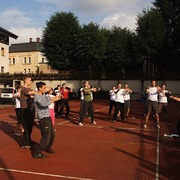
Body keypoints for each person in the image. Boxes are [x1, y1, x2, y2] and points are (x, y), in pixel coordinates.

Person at [33, 82, 61, 159]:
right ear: (40, 88)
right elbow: (44, 104)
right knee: (46, 136)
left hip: (47, 116)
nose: (46, 89)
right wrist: (54, 99)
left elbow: (49, 99)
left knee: (52, 134)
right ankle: (37, 152)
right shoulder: (37, 96)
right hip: (43, 118)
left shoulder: (44, 95)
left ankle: (47, 147)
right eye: (44, 88)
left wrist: (56, 97)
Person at [20, 75, 36, 149]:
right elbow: (30, 93)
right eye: (29, 80)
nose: (30, 81)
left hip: (30, 108)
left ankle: (28, 140)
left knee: (30, 125)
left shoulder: (29, 89)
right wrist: (38, 92)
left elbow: (33, 95)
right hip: (24, 108)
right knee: (26, 126)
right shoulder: (24, 89)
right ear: (25, 80)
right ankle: (25, 143)